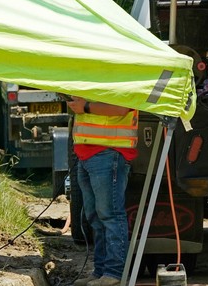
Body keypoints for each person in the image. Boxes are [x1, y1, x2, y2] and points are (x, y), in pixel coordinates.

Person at [67, 97, 137, 286]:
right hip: (87, 153)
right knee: (95, 217)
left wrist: (86, 106)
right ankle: (100, 272)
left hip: (108, 152)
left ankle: (114, 274)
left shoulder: (120, 75)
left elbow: (122, 107)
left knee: (110, 215)